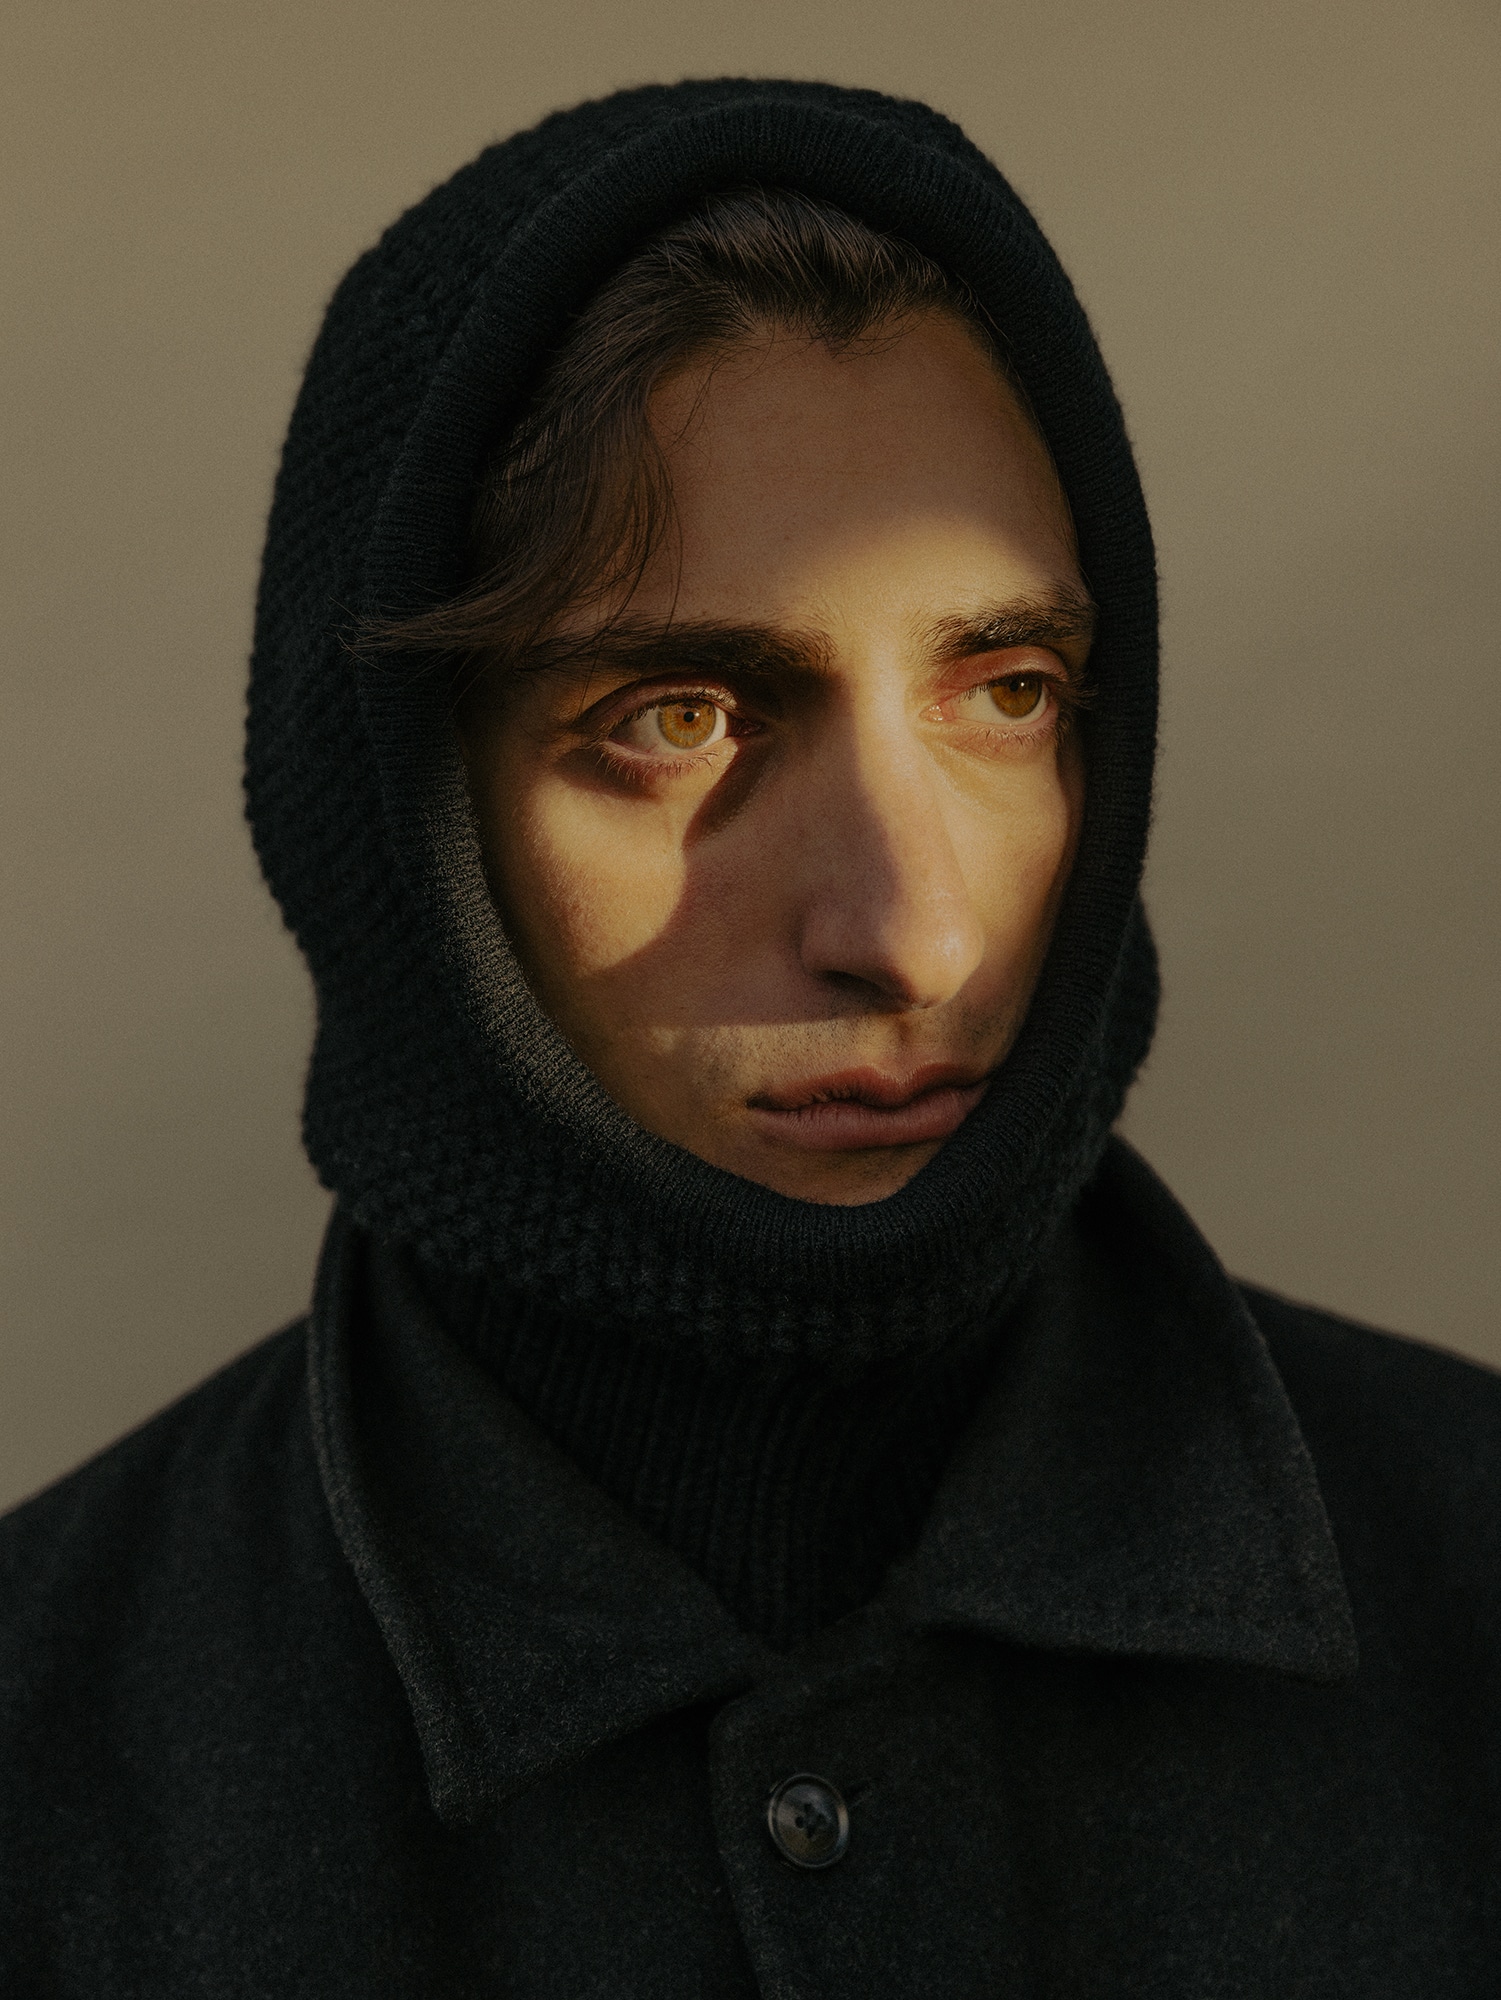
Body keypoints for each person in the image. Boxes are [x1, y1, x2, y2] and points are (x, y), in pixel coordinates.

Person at [2, 77, 1497, 1996]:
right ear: (399, 814)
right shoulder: (55, 1767)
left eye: (1010, 691)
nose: (915, 929)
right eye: (680, 716)